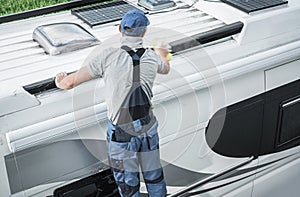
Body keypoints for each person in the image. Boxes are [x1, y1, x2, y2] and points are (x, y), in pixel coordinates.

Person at [55, 10, 170, 197]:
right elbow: (166, 67)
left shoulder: (107, 56)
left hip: (122, 133)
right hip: (148, 127)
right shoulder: (152, 57)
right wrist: (162, 53)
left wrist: (60, 80)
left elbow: (69, 83)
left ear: (120, 29)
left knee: (129, 185)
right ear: (144, 33)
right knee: (154, 176)